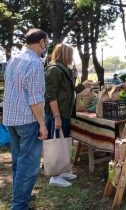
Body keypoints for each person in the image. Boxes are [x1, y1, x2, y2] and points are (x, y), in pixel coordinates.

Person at [4, 28, 49, 209]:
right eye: (46, 42)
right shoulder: (35, 62)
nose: (46, 45)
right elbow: (34, 98)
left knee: (18, 163)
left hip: (11, 119)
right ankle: (20, 205)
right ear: (41, 42)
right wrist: (42, 124)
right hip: (27, 120)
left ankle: (20, 199)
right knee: (29, 167)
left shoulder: (14, 58)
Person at [44, 43, 77, 187]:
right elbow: (51, 95)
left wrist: (83, 86)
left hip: (64, 112)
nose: (72, 57)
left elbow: (68, 92)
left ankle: (62, 171)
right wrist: (56, 116)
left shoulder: (63, 69)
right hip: (57, 113)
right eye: (71, 54)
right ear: (65, 54)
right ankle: (54, 176)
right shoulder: (54, 70)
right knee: (55, 142)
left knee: (63, 142)